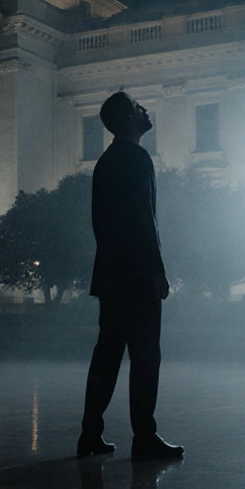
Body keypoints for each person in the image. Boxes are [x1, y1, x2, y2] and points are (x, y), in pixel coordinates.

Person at [78, 91, 183, 461]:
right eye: (138, 107)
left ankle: (90, 433)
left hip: (111, 275)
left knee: (107, 355)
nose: (145, 110)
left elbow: (102, 225)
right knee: (145, 357)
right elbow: (144, 221)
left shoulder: (105, 163)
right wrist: (157, 271)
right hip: (137, 276)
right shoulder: (138, 159)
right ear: (127, 118)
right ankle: (144, 437)